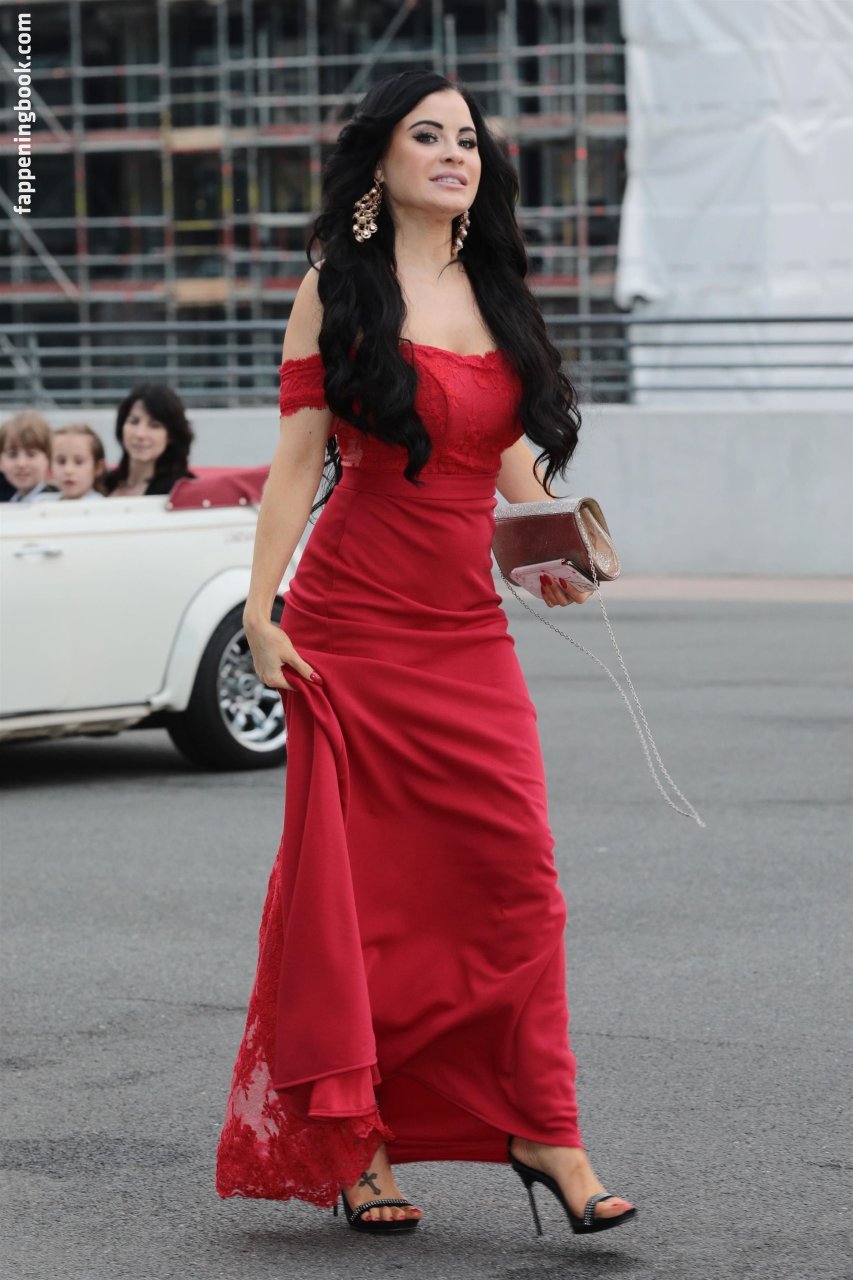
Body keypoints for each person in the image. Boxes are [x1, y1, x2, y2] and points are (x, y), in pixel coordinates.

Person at [215, 70, 637, 1239]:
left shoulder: (495, 287)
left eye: (467, 139)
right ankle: (362, 1142)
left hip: (463, 631)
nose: (455, 152)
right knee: (362, 901)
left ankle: (540, 1123)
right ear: (381, 162)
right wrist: (261, 610)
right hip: (348, 627)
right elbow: (298, 460)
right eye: (428, 135)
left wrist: (557, 546)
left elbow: (506, 465)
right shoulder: (336, 287)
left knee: (518, 881)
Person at [103, 384, 194, 496]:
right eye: (134, 422)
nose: (140, 434)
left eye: (154, 425)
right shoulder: (103, 483)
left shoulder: (181, 489)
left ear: (171, 435)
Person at [0, 411, 59, 503]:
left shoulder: (58, 503)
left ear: (49, 458)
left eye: (31, 454)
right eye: (13, 455)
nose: (21, 464)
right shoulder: (10, 502)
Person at [49, 424, 108, 500]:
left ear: (98, 467)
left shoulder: (102, 505)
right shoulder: (41, 503)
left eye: (79, 462)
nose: (68, 470)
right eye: (61, 462)